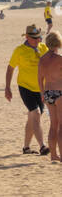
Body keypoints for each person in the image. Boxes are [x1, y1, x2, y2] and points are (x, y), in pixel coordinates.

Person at [5, 24, 49, 155]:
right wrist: (7, 87)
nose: (38, 40)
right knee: (35, 113)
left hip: (40, 88)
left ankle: (26, 148)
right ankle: (42, 146)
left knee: (33, 117)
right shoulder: (19, 50)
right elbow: (10, 68)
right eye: (35, 38)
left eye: (39, 37)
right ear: (27, 37)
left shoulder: (43, 47)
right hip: (25, 87)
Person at [38, 31, 62, 164]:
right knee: (61, 125)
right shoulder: (60, 59)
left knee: (53, 125)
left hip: (47, 93)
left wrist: (42, 93)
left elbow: (39, 78)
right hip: (60, 93)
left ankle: (53, 155)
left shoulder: (42, 60)